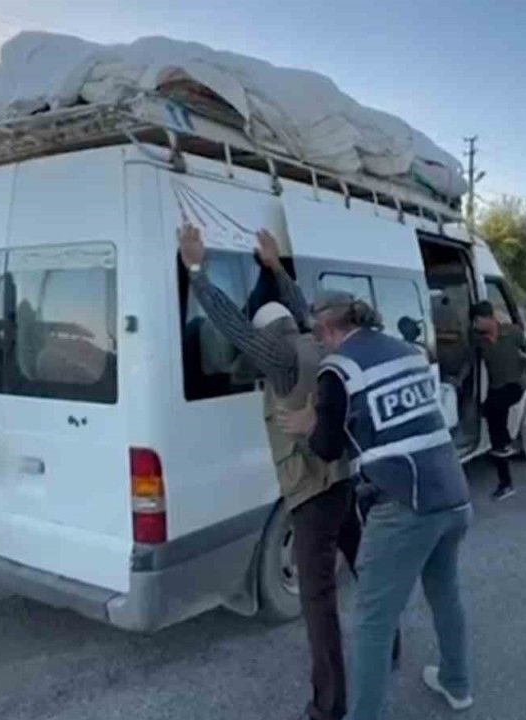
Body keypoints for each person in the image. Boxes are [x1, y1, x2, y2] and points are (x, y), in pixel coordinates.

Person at [177, 224, 377, 720]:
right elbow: (303, 308)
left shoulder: (281, 358)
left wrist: (196, 269)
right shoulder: (319, 343)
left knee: (318, 601)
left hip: (311, 491)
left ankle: (329, 706)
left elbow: (233, 327)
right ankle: (386, 644)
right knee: (365, 568)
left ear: (267, 334)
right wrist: (275, 270)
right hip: (344, 478)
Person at [278, 290, 474, 720]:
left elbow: (328, 448)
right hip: (454, 493)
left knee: (371, 620)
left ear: (327, 328)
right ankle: (457, 684)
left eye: (315, 333)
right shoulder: (407, 351)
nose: (316, 342)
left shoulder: (338, 370)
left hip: (406, 504)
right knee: (445, 593)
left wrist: (309, 425)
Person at [470, 300, 526, 501]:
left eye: (477, 320)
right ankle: (505, 481)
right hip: (495, 389)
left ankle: (506, 442)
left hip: (514, 386)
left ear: (488, 318)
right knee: (494, 428)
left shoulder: (513, 333)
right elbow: (468, 363)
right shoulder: (479, 341)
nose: (475, 325)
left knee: (494, 410)